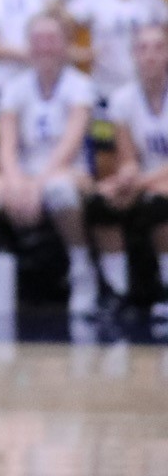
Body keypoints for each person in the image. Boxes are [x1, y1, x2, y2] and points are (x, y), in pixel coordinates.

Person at [0, 13, 98, 316]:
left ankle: (82, 270)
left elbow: (69, 145)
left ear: (66, 44)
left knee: (59, 189)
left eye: (52, 39)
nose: (44, 46)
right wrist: (15, 183)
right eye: (38, 40)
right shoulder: (15, 87)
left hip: (69, 171)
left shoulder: (80, 86)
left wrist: (37, 185)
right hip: (25, 172)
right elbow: (6, 145)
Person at [89, 23, 168, 317]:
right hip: (149, 179)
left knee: (159, 204)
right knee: (101, 203)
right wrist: (126, 175)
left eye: (158, 47)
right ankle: (117, 288)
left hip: (156, 182)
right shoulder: (122, 99)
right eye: (143, 48)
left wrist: (140, 182)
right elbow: (128, 156)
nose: (150, 55)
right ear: (134, 55)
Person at [65, 0, 168, 103]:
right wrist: (79, 52)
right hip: (105, 88)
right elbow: (58, 24)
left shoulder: (151, 0)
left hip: (144, 89)